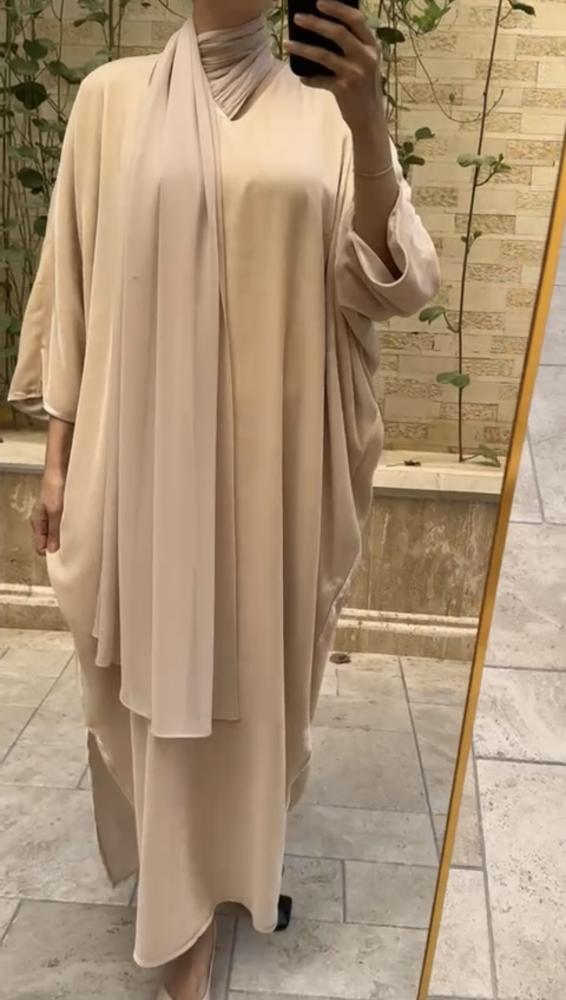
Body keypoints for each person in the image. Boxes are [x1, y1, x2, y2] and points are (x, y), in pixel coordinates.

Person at [8, 0, 440, 997]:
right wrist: (58, 455)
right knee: (161, 674)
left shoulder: (329, 115)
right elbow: (75, 288)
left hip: (274, 469)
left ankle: (233, 864)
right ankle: (181, 915)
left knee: (253, 679)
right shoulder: (109, 99)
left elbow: (395, 280)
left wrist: (370, 121)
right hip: (144, 459)